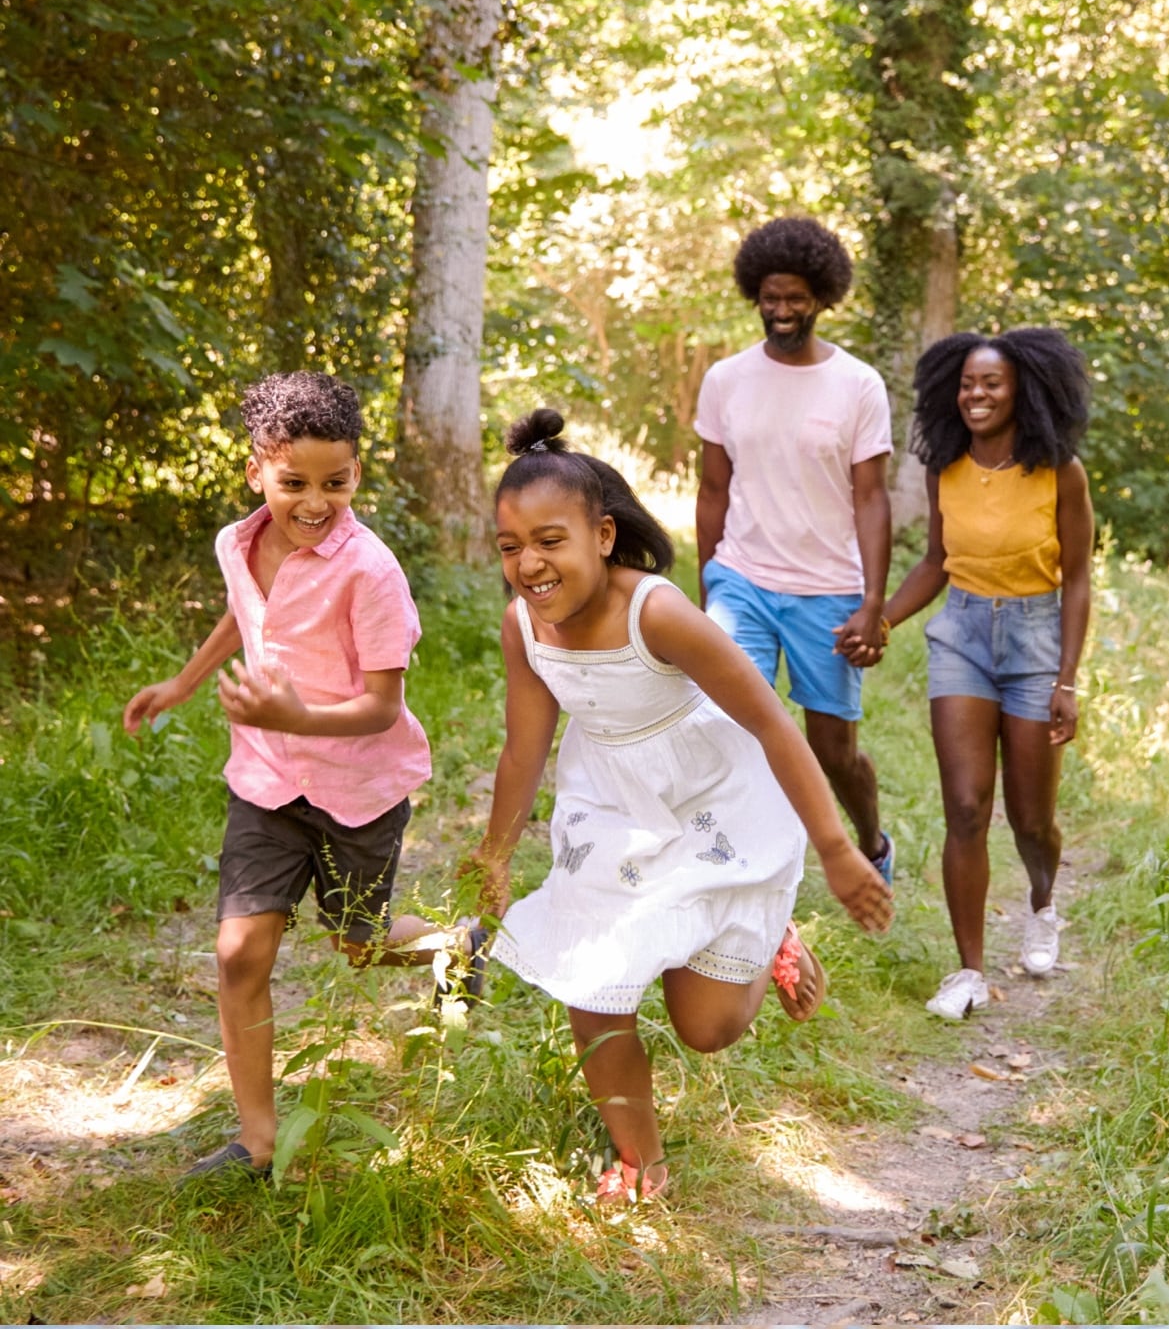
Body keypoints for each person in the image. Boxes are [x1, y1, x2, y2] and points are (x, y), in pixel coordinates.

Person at [466, 408, 893, 1204]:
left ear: (601, 534)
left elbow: (770, 722)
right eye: (511, 547)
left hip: (711, 803)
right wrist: (493, 856)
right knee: (594, 986)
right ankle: (641, 1161)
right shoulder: (523, 626)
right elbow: (523, 750)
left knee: (707, 1029)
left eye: (550, 541)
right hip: (610, 810)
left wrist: (838, 850)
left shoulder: (654, 612)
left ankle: (768, 936)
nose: (529, 565)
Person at [123, 370, 480, 1179]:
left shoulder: (372, 571)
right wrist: (182, 682)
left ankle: (454, 945)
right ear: (257, 470)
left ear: (358, 474)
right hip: (265, 781)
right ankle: (256, 1140)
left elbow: (383, 707)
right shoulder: (236, 543)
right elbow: (246, 610)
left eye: (337, 482)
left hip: (357, 787)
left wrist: (292, 717)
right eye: (294, 483)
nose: (315, 503)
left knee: (357, 942)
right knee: (240, 953)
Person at [882, 329, 1093, 1020]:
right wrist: (881, 619)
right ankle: (968, 970)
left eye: (991, 384)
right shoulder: (947, 468)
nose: (975, 395)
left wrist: (1067, 680)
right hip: (963, 639)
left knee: (1033, 821)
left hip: (1035, 642)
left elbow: (1079, 579)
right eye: (967, 384)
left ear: (1022, 390)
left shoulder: (1061, 471)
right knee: (967, 807)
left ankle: (1042, 903)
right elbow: (935, 563)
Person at [695, 216, 896, 885]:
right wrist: (707, 589)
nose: (781, 312)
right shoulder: (726, 380)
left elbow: (871, 497)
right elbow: (712, 487)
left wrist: (873, 601)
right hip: (742, 579)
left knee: (834, 752)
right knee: (733, 730)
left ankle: (870, 844)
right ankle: (745, 874)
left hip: (828, 589)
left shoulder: (858, 385)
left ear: (822, 296)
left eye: (795, 299)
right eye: (770, 298)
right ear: (755, 294)